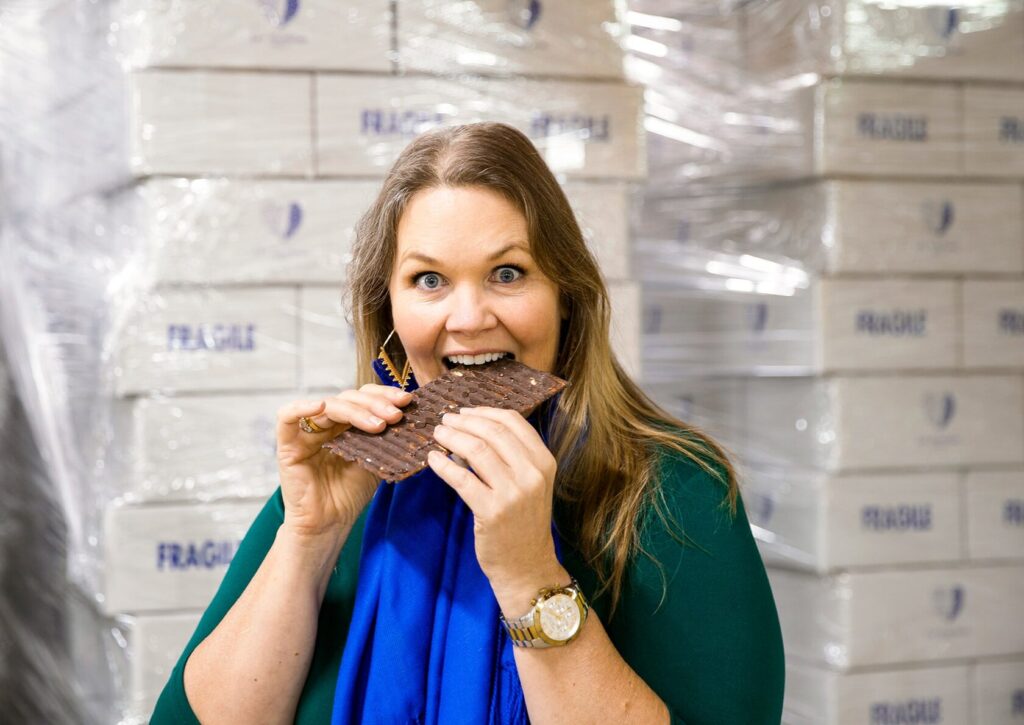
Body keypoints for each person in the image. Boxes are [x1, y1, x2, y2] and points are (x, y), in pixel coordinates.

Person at [152, 122, 784, 724]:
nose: (468, 317)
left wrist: (529, 573)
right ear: (389, 310)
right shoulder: (345, 482)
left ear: (567, 295)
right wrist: (310, 537)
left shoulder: (670, 492)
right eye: (429, 280)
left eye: (507, 273)